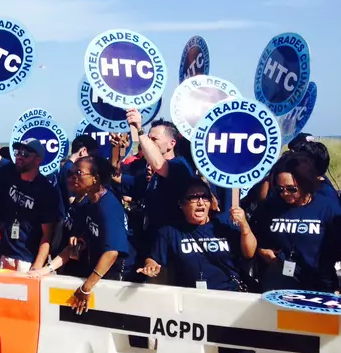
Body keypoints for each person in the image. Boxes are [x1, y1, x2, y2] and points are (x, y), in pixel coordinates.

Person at [0, 101, 61, 271]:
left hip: (28, 260)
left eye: (25, 154)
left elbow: (47, 235)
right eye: (18, 152)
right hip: (5, 254)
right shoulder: (9, 171)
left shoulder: (46, 191)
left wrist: (37, 267)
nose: (19, 156)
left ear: (38, 160)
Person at [38, 155, 135, 313]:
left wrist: (86, 287)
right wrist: (45, 270)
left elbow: (112, 252)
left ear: (95, 178)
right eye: (71, 173)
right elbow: (74, 246)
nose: (73, 177)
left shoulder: (108, 207)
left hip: (118, 275)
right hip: (100, 272)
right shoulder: (89, 204)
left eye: (79, 173)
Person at [138, 179, 256, 291]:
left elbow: (249, 253)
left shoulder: (223, 224)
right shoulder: (169, 231)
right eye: (193, 197)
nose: (200, 202)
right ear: (181, 203)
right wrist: (150, 266)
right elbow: (154, 258)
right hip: (189, 297)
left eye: (205, 197)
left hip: (228, 294)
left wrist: (244, 225)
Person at [254, 153, 341, 292]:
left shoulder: (328, 208)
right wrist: (262, 251)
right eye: (280, 189)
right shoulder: (270, 207)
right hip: (280, 286)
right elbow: (256, 235)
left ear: (305, 182)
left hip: (319, 285)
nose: (285, 194)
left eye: (291, 189)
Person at [126, 112, 194, 250]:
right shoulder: (153, 173)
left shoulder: (179, 165)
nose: (149, 143)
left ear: (172, 143)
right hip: (154, 243)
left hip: (174, 246)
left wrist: (139, 129)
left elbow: (159, 164)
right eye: (148, 138)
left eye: (154, 139)